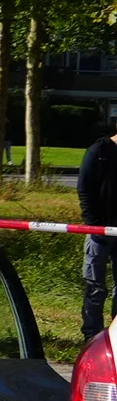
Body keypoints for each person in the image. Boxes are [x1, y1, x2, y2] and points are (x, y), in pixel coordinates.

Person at [81, 122, 117, 343]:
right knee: (95, 285)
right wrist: (93, 223)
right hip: (99, 231)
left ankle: (115, 333)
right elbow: (84, 187)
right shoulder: (98, 152)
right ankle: (91, 335)